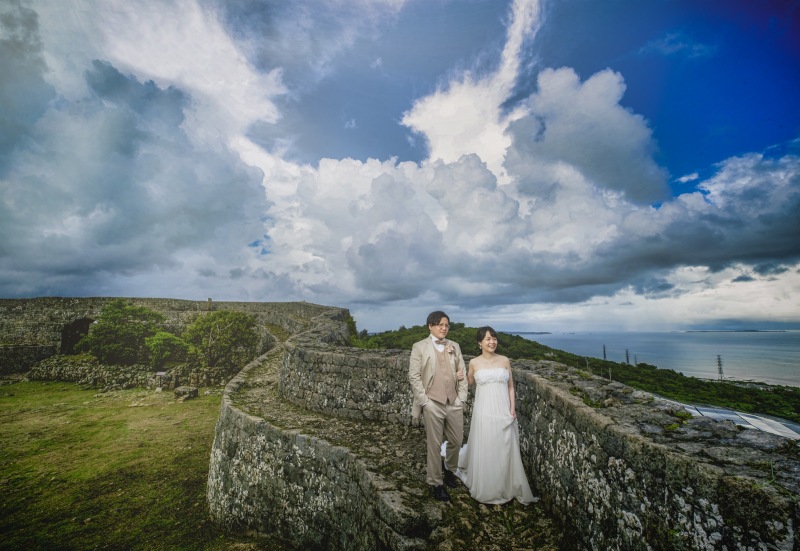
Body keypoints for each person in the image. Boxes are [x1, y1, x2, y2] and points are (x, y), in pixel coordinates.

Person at [457, 326, 535, 504]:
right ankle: (488, 485)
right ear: (479, 343)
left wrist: (512, 408)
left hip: (503, 408)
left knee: (505, 445)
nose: (492, 342)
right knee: (488, 444)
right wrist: (460, 375)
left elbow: (510, 386)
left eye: (494, 338)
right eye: (488, 339)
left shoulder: (505, 360)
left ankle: (506, 484)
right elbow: (469, 382)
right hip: (484, 410)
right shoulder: (474, 363)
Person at [408, 311, 468, 501]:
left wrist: (462, 399)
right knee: (433, 445)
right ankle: (436, 483)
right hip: (432, 402)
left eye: (446, 325)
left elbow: (463, 373)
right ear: (430, 326)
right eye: (440, 325)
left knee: (457, 440)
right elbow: (414, 376)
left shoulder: (454, 346)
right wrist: (425, 402)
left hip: (453, 402)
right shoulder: (419, 347)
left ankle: (449, 469)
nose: (444, 328)